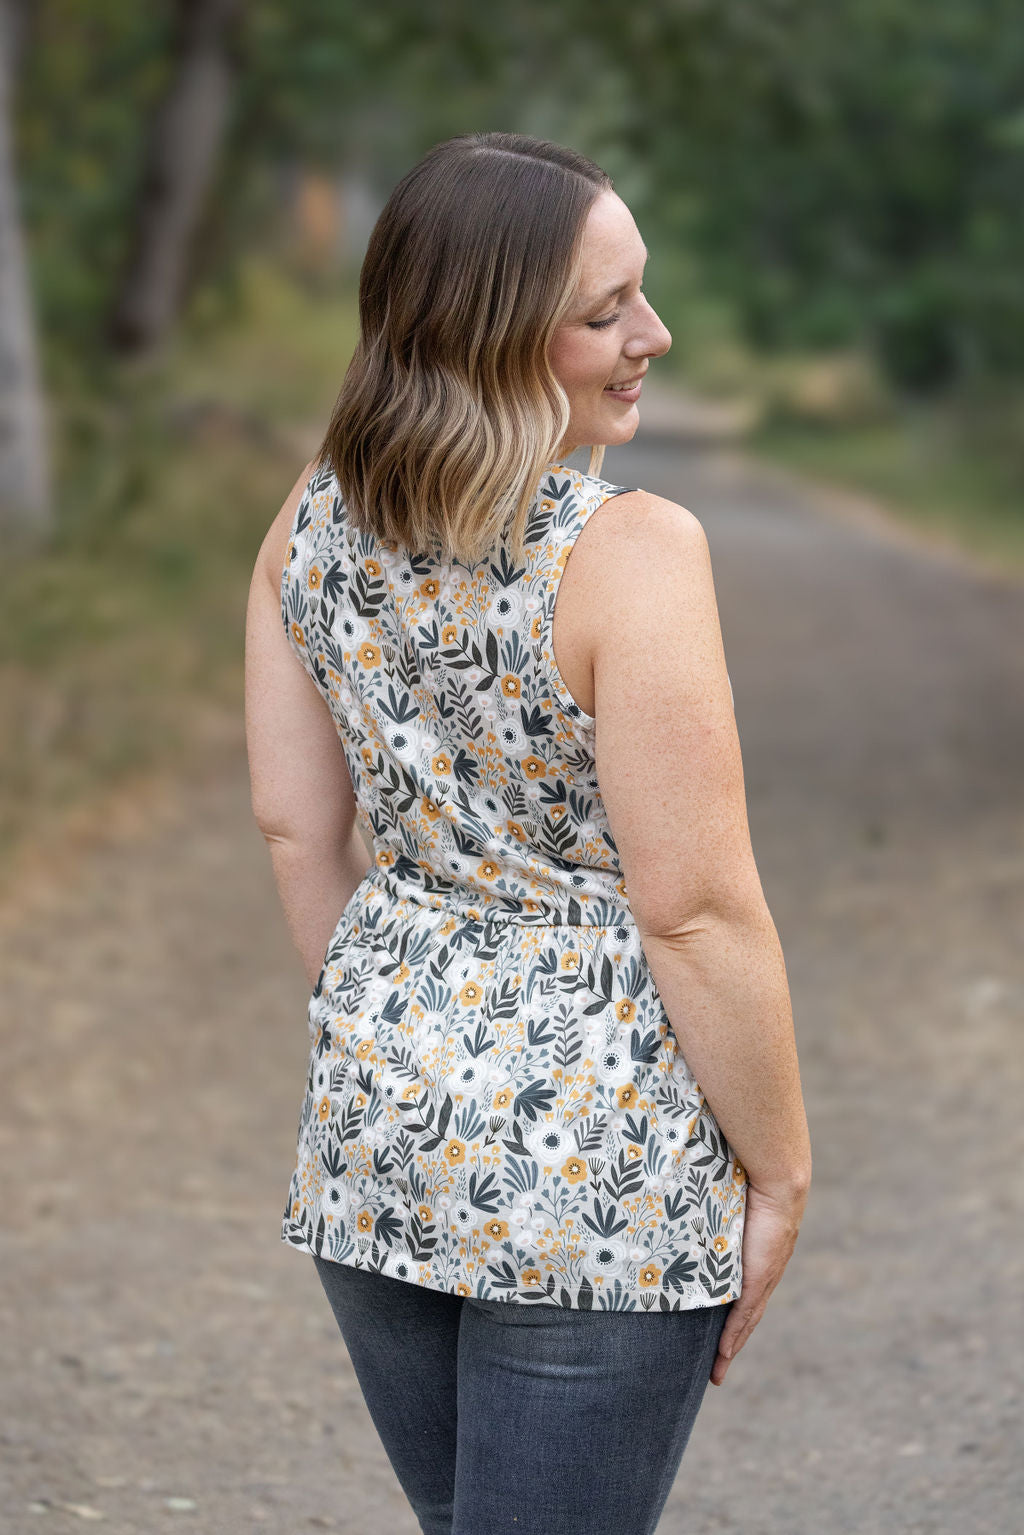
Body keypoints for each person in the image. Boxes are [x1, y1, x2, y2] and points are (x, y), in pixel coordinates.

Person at [244, 131, 812, 1535]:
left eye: (645, 296)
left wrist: (395, 1031)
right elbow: (694, 912)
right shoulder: (629, 556)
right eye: (605, 311)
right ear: (490, 335)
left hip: (376, 1138)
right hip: (595, 1183)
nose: (653, 337)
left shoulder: (307, 526)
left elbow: (292, 831)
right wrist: (783, 1170)